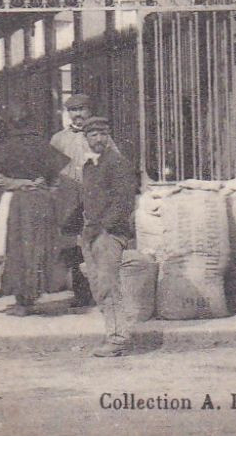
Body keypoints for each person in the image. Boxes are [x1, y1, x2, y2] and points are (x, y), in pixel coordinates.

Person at [0, 125, 71, 315]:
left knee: (16, 249)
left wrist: (20, 183)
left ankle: (22, 301)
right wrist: (39, 187)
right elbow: (56, 180)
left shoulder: (7, 146)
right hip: (42, 202)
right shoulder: (43, 147)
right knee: (37, 250)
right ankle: (30, 298)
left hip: (15, 202)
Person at [79, 116, 139, 357]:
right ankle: (113, 333)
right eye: (93, 135)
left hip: (109, 234)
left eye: (103, 134)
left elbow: (123, 202)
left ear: (109, 136)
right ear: (86, 139)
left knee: (108, 286)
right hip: (92, 234)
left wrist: (104, 228)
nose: (99, 139)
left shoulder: (117, 163)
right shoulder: (89, 166)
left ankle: (117, 339)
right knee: (99, 288)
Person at [50, 93, 97, 308]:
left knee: (94, 242)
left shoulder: (100, 136)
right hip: (67, 198)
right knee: (71, 245)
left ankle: (98, 291)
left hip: (93, 196)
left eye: (81, 109)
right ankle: (80, 292)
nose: (77, 114)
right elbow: (50, 169)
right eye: (73, 110)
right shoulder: (58, 139)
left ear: (89, 110)